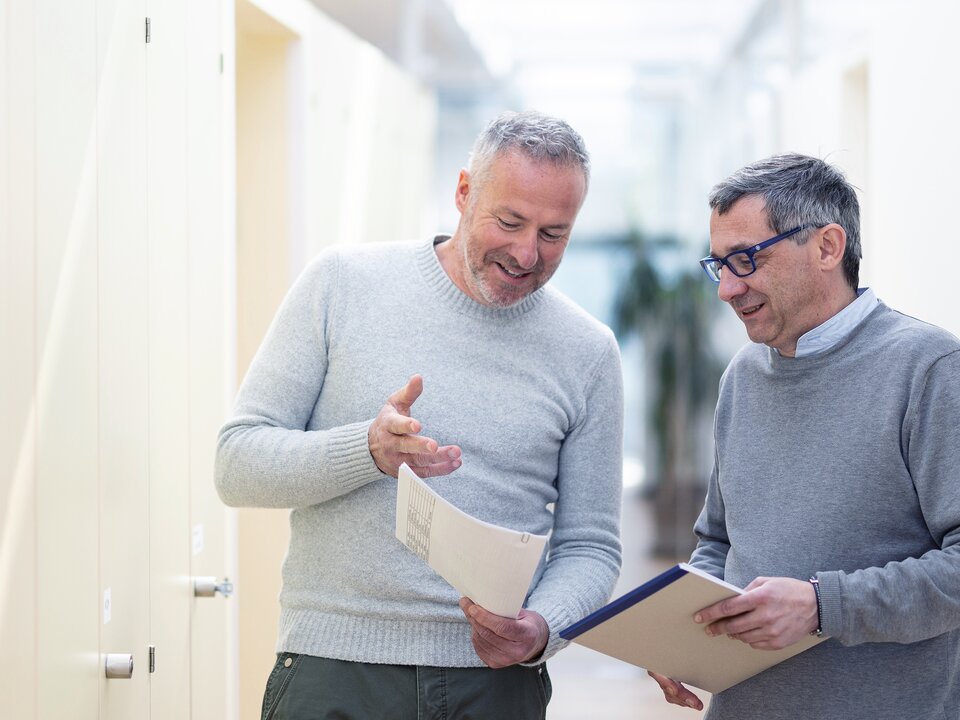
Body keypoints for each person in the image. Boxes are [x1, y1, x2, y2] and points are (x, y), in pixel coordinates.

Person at [215, 110, 624, 719]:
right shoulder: (341, 284)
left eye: (553, 234)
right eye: (509, 222)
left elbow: (591, 546)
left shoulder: (588, 352)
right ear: (463, 192)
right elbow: (237, 465)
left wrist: (542, 628)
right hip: (334, 671)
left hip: (494, 686)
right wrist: (368, 451)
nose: (526, 252)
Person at [649, 153, 960, 719]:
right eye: (718, 265)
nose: (727, 289)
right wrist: (680, 631)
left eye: (746, 260)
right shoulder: (742, 377)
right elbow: (718, 542)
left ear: (827, 247)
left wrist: (822, 606)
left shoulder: (931, 369)